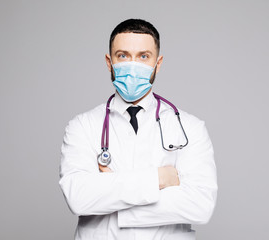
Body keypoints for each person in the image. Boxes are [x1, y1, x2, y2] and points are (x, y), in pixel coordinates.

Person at [59, 18, 218, 240]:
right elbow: (79, 197)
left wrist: (113, 196)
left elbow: (200, 206)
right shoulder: (82, 126)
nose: (133, 65)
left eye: (144, 56)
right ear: (109, 62)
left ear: (157, 63)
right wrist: (159, 179)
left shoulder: (190, 128)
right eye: (123, 56)